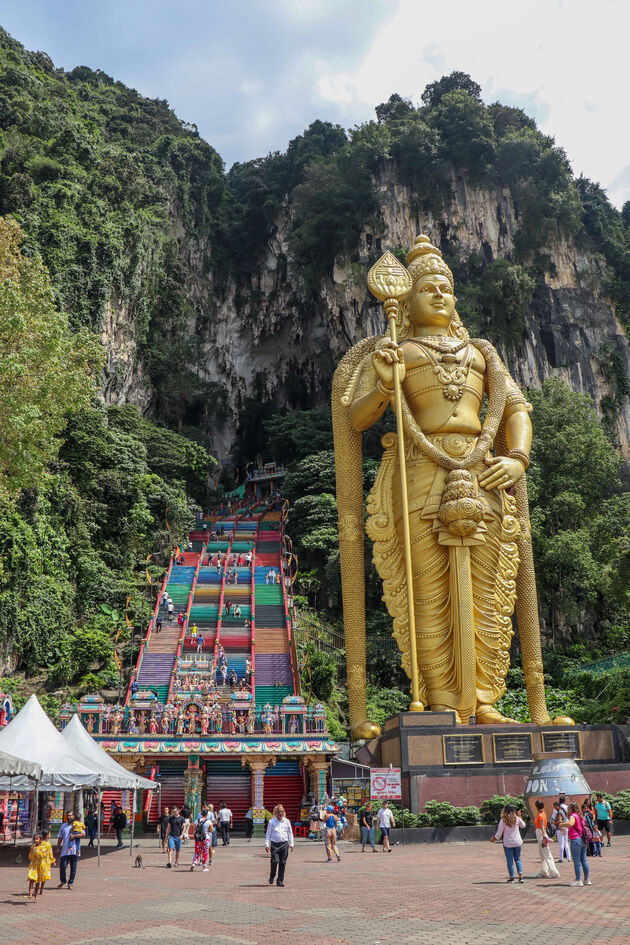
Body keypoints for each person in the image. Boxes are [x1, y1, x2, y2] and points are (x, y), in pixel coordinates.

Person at [490, 804, 525, 883]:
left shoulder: (503, 820)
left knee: (510, 860)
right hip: (517, 842)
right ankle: (521, 877)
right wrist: (520, 816)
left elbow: (499, 834)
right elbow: (523, 825)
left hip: (508, 843)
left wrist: (494, 838)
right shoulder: (517, 819)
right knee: (518, 859)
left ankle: (512, 877)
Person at [265, 804, 294, 887]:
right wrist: (267, 844)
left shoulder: (286, 821)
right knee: (274, 861)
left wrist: (291, 843)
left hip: (284, 844)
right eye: (279, 812)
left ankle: (280, 880)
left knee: (283, 863)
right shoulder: (272, 822)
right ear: (276, 813)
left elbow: (290, 832)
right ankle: (272, 875)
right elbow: (268, 833)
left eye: (282, 811)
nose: (280, 813)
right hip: (274, 844)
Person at [56, 811, 84, 890]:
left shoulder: (78, 824)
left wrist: (75, 836)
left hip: (75, 850)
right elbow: (60, 837)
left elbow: (83, 834)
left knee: (73, 868)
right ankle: (63, 881)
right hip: (65, 850)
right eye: (68, 816)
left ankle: (70, 883)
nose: (69, 817)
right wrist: (58, 847)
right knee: (63, 866)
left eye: (70, 816)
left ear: (74, 816)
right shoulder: (63, 826)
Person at [566, 802, 591, 886]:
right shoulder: (580, 816)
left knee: (576, 861)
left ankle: (578, 880)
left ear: (571, 809)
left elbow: (570, 824)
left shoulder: (573, 816)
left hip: (575, 839)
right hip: (583, 840)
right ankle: (587, 879)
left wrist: (561, 824)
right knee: (583, 860)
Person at [533, 800, 559, 879]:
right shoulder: (542, 814)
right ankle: (545, 871)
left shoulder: (540, 815)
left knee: (546, 853)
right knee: (542, 854)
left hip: (541, 834)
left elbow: (542, 827)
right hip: (540, 834)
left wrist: (544, 837)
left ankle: (554, 872)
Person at [28, 831, 55, 899]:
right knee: (32, 878)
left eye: (36, 839)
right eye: (34, 839)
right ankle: (30, 893)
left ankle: (38, 892)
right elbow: (30, 856)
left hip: (42, 864)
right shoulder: (32, 847)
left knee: (40, 879)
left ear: (40, 839)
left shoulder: (44, 846)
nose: (35, 840)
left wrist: (52, 861)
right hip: (34, 865)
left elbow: (47, 854)